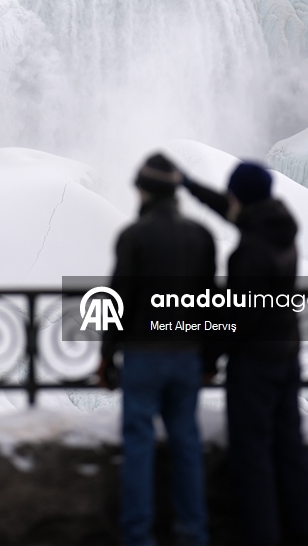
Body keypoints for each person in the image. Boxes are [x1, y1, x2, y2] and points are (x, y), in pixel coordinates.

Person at [182, 161, 308, 546]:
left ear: (240, 198)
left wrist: (208, 360)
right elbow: (233, 210)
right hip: (286, 354)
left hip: (256, 364)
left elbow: (237, 317)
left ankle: (262, 537)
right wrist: (191, 185)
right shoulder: (278, 225)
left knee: (252, 457)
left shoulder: (251, 252)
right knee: (290, 446)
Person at [97, 153, 216, 546]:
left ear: (144, 191)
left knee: (138, 445)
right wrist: (210, 358)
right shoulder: (201, 236)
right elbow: (209, 302)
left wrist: (106, 356)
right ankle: (193, 532)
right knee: (186, 443)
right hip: (186, 355)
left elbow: (119, 299)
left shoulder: (134, 236)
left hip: (143, 354)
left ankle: (138, 535)